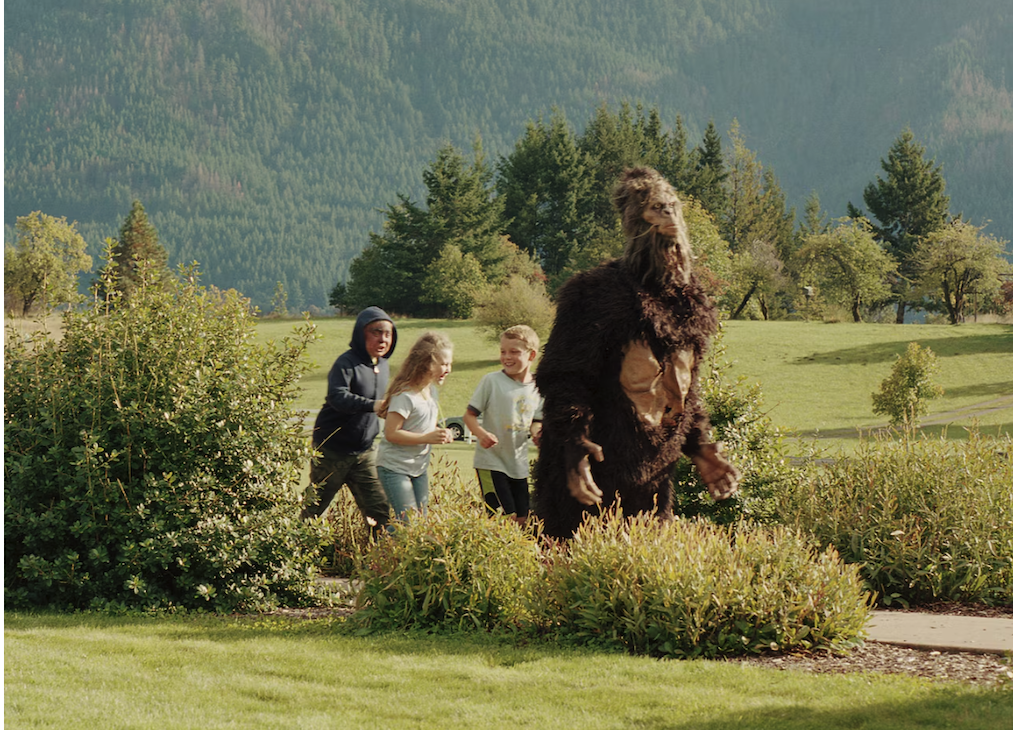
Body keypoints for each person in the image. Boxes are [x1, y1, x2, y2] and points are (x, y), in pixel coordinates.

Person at [533, 167, 740, 538]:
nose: (669, 215)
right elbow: (564, 380)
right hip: (590, 478)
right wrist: (573, 449)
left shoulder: (690, 302)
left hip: (653, 479)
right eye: (657, 207)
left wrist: (701, 448)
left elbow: (682, 392)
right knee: (576, 574)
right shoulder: (595, 294)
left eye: (673, 206)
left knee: (645, 578)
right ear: (636, 219)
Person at [301, 306, 395, 537]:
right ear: (360, 334)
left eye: (388, 334)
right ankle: (290, 556)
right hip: (332, 451)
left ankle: (379, 564)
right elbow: (337, 397)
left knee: (380, 511)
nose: (383, 339)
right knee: (313, 509)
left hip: (365, 452)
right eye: (376, 332)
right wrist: (372, 405)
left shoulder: (382, 365)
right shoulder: (346, 363)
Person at [463, 325, 543, 525]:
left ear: (531, 355)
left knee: (523, 519)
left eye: (514, 352)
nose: (507, 356)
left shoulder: (538, 388)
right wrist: (481, 434)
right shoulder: (491, 381)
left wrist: (538, 434)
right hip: (491, 463)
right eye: (503, 351)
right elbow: (469, 416)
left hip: (518, 465)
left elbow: (536, 421)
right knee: (504, 520)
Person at [376, 331, 455, 524]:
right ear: (426, 363)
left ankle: (391, 552)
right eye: (443, 364)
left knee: (421, 523)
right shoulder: (405, 395)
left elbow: (422, 424)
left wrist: (442, 433)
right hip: (394, 468)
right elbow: (392, 433)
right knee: (407, 523)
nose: (448, 369)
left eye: (449, 363)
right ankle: (377, 552)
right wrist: (427, 438)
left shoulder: (430, 391)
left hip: (418, 468)